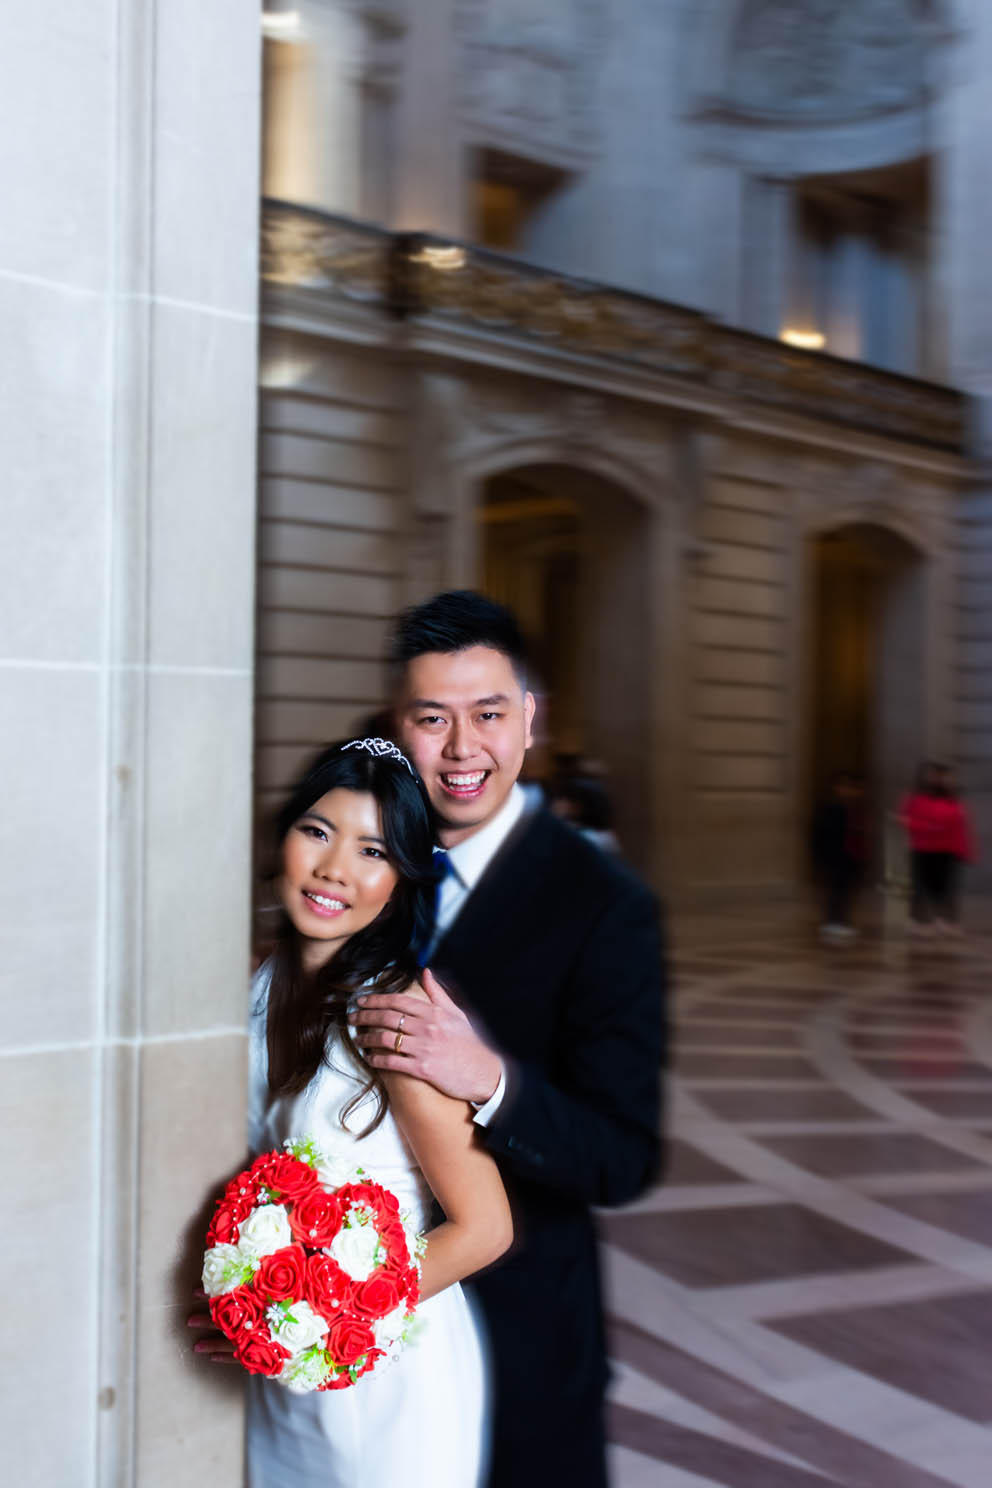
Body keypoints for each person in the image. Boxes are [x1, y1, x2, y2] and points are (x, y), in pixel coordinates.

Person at [349, 590, 667, 1488]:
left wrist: (490, 1081)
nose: (461, 750)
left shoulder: (605, 905)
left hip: (515, 1345)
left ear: (531, 720)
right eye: (431, 719)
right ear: (395, 727)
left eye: (489, 715)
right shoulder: (356, 865)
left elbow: (622, 1158)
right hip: (354, 1346)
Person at [190, 739, 513, 1488]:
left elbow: (486, 1227)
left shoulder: (394, 1020)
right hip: (285, 1375)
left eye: (372, 850)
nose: (335, 867)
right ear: (284, 837)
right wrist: (255, 1309)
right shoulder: (249, 980)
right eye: (317, 831)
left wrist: (325, 1321)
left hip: (393, 1372)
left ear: (400, 878)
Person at [899, 760, 976, 935]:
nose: (940, 779)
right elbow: (907, 819)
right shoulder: (914, 796)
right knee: (922, 886)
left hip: (947, 849)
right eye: (935, 774)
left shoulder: (953, 799)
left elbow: (961, 826)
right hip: (923, 847)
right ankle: (919, 920)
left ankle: (945, 920)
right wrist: (927, 828)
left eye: (944, 776)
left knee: (946, 887)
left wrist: (964, 849)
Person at [810, 772, 867, 941]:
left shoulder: (853, 807)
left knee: (845, 891)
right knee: (836, 890)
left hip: (850, 855)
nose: (848, 790)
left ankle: (841, 921)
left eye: (850, 787)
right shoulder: (830, 808)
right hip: (836, 856)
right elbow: (820, 834)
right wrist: (822, 856)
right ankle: (832, 922)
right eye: (845, 786)